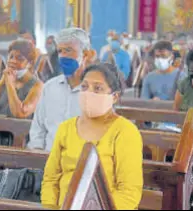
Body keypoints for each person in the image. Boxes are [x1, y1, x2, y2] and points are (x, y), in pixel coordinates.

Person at [41, 63, 143, 210]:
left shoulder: (125, 131)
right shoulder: (66, 128)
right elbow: (51, 179)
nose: (89, 93)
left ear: (114, 96)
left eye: (98, 88)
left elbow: (129, 192)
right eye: (84, 87)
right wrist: (50, 207)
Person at [28, 27, 94, 151]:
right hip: (48, 159)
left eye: (68, 50)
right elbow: (38, 129)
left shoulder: (95, 91)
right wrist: (37, 155)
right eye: (60, 51)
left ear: (85, 54)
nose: (63, 56)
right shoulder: (50, 87)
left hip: (79, 162)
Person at [0, 39, 43, 145]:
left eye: (20, 58)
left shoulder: (37, 86)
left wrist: (10, 84)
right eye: (11, 57)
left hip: (23, 143)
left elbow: (20, 113)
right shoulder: (4, 81)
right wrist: (1, 82)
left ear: (30, 63)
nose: (13, 61)